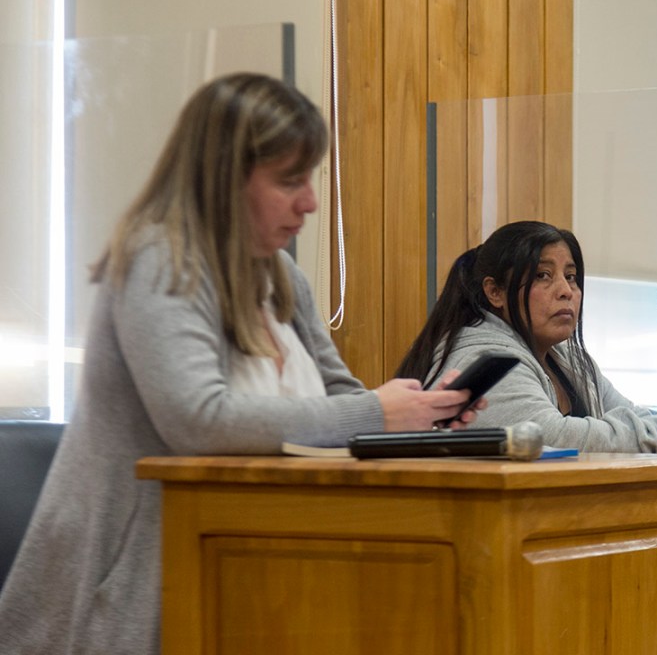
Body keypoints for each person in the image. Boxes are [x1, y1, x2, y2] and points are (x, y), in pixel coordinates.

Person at [0, 73, 478, 654]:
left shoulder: (283, 276)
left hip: (256, 567)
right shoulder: (160, 261)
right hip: (135, 589)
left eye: (310, 178)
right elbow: (199, 419)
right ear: (223, 177)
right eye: (289, 180)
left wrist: (421, 417)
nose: (311, 202)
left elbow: (339, 402)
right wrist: (377, 413)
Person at [396, 220, 657, 454]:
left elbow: (632, 415)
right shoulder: (484, 357)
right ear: (495, 292)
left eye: (571, 277)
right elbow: (546, 437)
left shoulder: (569, 360)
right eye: (543, 276)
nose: (566, 291)